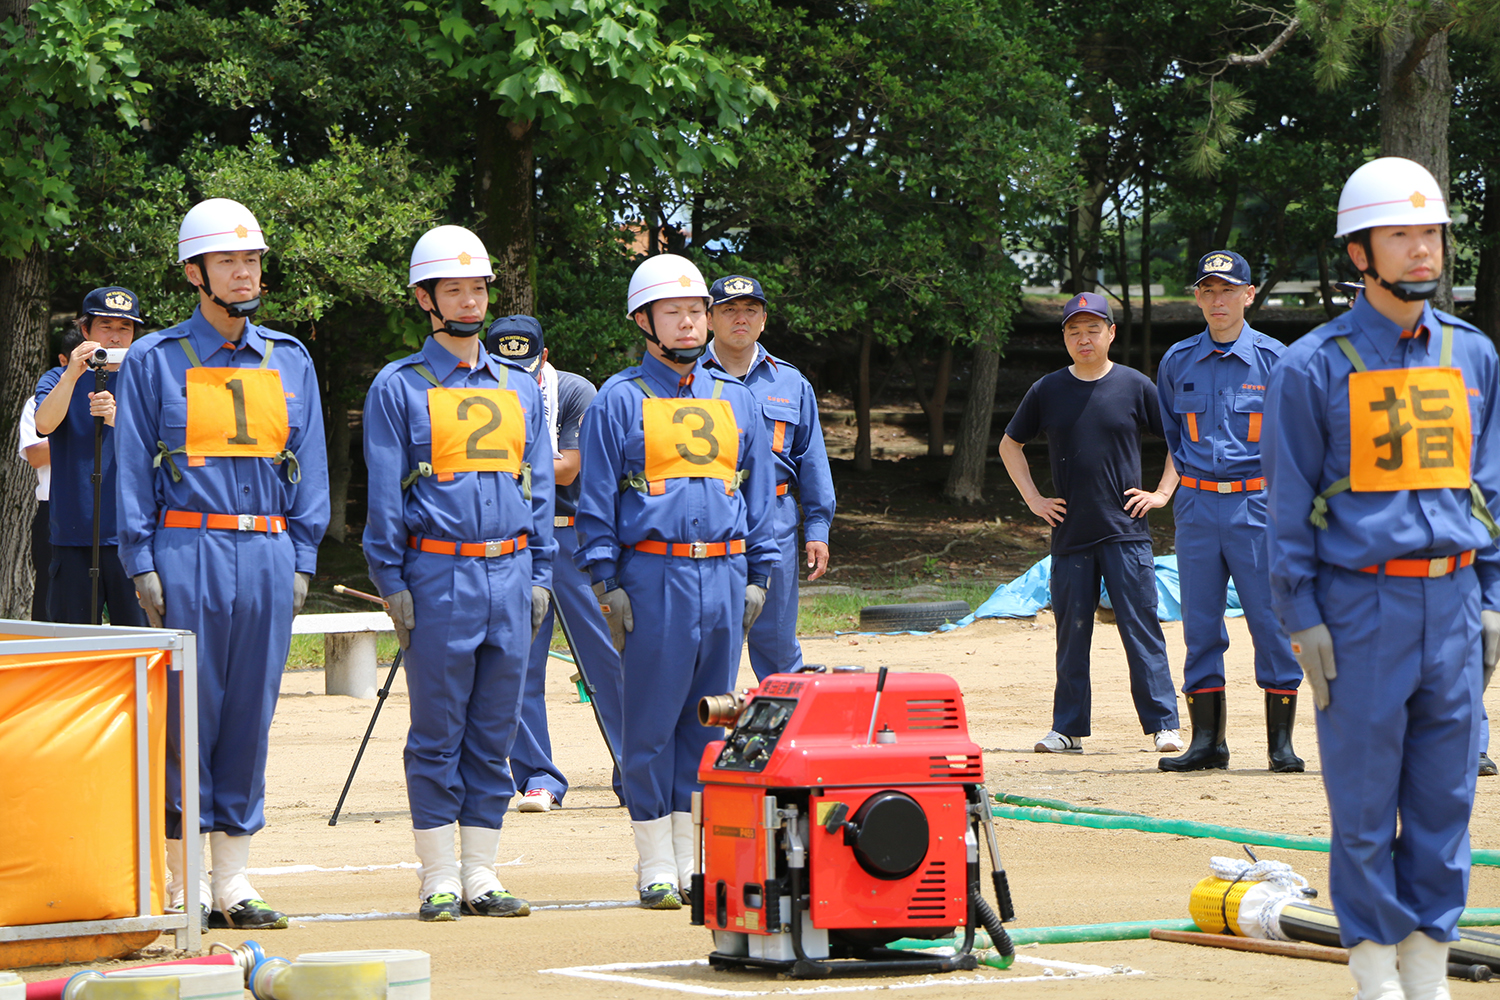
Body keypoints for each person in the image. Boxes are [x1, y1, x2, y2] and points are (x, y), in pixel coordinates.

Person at [1264, 156, 1500, 1000]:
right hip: (1358, 607)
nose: (1422, 249)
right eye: (1400, 234)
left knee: (1445, 803)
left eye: (1431, 232)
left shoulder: (1473, 355)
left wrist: (1494, 600)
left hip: (1457, 602)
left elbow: (1493, 485)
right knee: (1364, 805)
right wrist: (1302, 616)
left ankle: (1429, 970)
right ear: (1360, 253)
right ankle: (1373, 973)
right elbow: (1285, 509)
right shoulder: (1310, 367)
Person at [114, 198, 330, 930]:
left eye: (253, 261)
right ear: (194, 272)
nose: (245, 274)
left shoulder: (289, 357)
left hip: (268, 550)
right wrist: (141, 560)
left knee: (249, 713)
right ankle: (182, 881)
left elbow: (314, 470)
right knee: (185, 715)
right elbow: (133, 470)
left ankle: (234, 881)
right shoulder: (154, 360)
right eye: (230, 262)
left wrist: (301, 557)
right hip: (188, 546)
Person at [574, 253, 778, 909]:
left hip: (723, 573)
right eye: (675, 312)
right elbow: (596, 498)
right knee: (650, 726)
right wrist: (606, 581)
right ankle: (654, 864)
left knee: (710, 726)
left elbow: (760, 499)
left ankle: (696, 864)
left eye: (697, 311)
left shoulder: (736, 399)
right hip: (652, 575)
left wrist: (759, 576)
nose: (690, 323)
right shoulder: (617, 400)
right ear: (644, 321)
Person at [362, 226, 555, 922]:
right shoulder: (398, 386)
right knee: (437, 730)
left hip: (510, 573)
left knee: (496, 730)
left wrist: (541, 573)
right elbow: (384, 495)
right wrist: (392, 580)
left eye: (478, 288)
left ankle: (482, 873)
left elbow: (539, 489)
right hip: (437, 576)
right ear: (425, 298)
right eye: (455, 289)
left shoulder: (519, 385)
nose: (470, 301)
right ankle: (438, 875)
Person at [998, 291, 1181, 755]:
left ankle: (1164, 723)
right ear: (1064, 338)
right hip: (1071, 534)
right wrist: (1035, 499)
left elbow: (1180, 441)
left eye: (1093, 329)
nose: (1084, 338)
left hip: (1126, 532)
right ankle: (1067, 728)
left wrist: (1161, 494)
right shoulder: (1047, 390)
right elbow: (1009, 445)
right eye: (1074, 331)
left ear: (1111, 333)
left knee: (1141, 628)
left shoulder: (1136, 386)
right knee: (1071, 633)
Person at [1155, 251, 1304, 773]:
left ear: (1249, 294)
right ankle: (1207, 743)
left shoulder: (1276, 361)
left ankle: (1280, 744)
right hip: (1195, 508)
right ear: (1197, 297)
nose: (1217, 301)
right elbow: (1174, 437)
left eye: (1227, 290)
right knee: (1199, 624)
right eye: (1207, 291)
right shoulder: (1176, 361)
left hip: (1258, 506)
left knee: (1271, 620)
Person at [489, 314, 625, 813]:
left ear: (544, 358)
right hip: (513, 541)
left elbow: (570, 466)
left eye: (526, 366)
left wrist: (501, 462)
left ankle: (634, 770)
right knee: (519, 666)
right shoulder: (478, 393)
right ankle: (537, 776)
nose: (518, 377)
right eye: (505, 367)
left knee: (606, 660)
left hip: (573, 539)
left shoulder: (574, 391)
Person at [703, 275, 835, 679]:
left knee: (776, 640)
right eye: (729, 310)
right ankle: (702, 737)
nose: (740, 319)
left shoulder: (790, 382)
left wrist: (817, 527)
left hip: (774, 520)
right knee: (706, 640)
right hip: (708, 517)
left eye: (750, 311)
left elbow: (812, 459)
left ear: (763, 320)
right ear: (709, 318)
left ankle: (784, 734)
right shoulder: (686, 378)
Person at [34, 289, 149, 627]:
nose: (115, 336)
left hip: (132, 533)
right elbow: (43, 423)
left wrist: (118, 418)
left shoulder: (143, 378)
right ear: (85, 331)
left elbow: (161, 444)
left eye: (125, 329)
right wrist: (73, 373)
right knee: (73, 643)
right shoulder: (57, 378)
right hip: (73, 532)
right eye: (106, 326)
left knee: (139, 642)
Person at [18, 332, 70, 622]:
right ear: (63, 360)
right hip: (55, 508)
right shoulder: (38, 401)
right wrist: (81, 435)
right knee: (51, 598)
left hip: (108, 508)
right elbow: (36, 455)